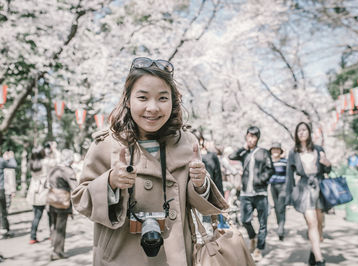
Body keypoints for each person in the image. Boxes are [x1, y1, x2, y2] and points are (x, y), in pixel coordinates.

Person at [71, 57, 228, 266]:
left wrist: (201, 184)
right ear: (128, 100)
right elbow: (81, 199)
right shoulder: (107, 144)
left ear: (173, 101)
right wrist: (110, 182)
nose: (153, 108)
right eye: (143, 98)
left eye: (162, 98)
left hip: (174, 257)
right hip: (120, 256)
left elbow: (192, 202)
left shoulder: (187, 143)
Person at [285, 122, 332, 266]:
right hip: (304, 188)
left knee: (319, 224)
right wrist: (290, 196)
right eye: (299, 130)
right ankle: (319, 260)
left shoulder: (318, 149)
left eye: (304, 130)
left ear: (309, 132)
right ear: (296, 134)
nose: (302, 132)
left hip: (319, 186)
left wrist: (327, 164)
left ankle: (314, 252)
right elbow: (290, 175)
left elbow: (327, 171)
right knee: (312, 223)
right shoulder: (293, 152)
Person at [228, 126, 274, 262]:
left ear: (257, 138)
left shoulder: (264, 152)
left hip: (260, 193)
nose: (251, 139)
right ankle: (252, 237)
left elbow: (270, 169)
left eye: (253, 136)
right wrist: (244, 148)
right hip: (246, 194)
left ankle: (259, 248)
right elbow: (231, 156)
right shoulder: (244, 153)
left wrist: (261, 179)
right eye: (249, 136)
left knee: (262, 222)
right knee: (245, 220)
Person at [47, 149, 78, 261]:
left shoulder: (54, 168)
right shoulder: (68, 171)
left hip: (52, 200)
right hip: (62, 201)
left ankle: (54, 247)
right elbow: (76, 188)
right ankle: (57, 251)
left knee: (54, 226)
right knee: (60, 227)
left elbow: (48, 182)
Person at [26, 147, 49, 244]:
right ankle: (52, 234)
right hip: (43, 192)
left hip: (33, 192)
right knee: (50, 214)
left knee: (36, 216)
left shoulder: (31, 164)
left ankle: (32, 236)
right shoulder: (45, 163)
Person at [268, 142, 287, 241]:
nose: (275, 151)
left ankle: (281, 228)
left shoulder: (285, 161)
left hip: (283, 186)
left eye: (277, 149)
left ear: (280, 151)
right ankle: (280, 225)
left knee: (281, 207)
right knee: (276, 207)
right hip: (273, 186)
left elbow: (290, 174)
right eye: (273, 149)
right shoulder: (269, 162)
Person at [0, 150, 17, 238]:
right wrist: (11, 158)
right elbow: (14, 165)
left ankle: (5, 229)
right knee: (3, 211)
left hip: (4, 189)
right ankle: (5, 230)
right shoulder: (2, 161)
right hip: (1, 190)